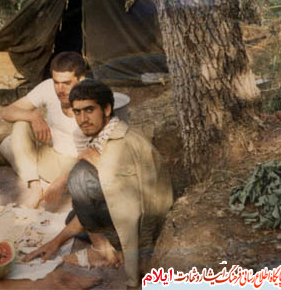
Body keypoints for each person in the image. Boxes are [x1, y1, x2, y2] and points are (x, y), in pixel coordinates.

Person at [24, 80, 173, 289]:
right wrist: (55, 242)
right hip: (120, 210)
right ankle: (106, 246)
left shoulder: (121, 144)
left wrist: (132, 262)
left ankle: (105, 251)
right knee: (75, 214)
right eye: (77, 112)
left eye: (89, 110)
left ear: (107, 109)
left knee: (80, 178)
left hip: (141, 225)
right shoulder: (102, 135)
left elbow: (133, 210)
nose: (83, 119)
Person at [0, 51, 88, 208]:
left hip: (79, 166)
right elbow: (7, 112)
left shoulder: (94, 98)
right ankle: (36, 187)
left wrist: (63, 180)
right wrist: (34, 117)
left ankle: (50, 182)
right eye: (56, 82)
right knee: (12, 137)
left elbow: (100, 153)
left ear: (81, 80)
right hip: (52, 158)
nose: (60, 89)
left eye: (67, 83)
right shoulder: (49, 87)